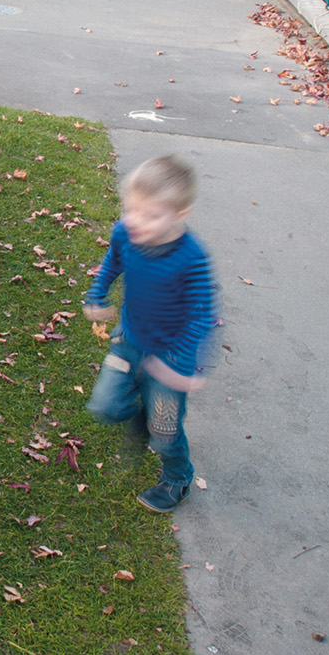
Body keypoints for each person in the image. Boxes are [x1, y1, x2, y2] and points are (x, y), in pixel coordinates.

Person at [83, 155, 217, 514]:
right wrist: (97, 293)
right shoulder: (126, 231)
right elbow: (114, 260)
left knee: (165, 431)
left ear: (180, 215)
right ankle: (139, 410)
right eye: (131, 210)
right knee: (105, 407)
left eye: (151, 215)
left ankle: (177, 479)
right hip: (129, 340)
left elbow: (202, 317)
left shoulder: (192, 259)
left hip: (171, 359)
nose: (136, 222)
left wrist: (185, 368)